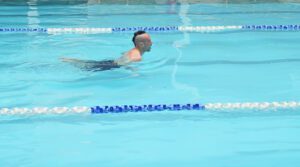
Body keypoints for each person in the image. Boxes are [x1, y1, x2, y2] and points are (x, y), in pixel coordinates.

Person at [61, 30, 152, 71]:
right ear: (141, 44)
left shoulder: (132, 50)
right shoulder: (137, 57)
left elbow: (125, 54)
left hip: (111, 62)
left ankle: (69, 60)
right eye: (149, 41)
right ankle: (67, 61)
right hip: (111, 66)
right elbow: (127, 65)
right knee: (85, 67)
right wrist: (134, 72)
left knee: (87, 63)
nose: (152, 43)